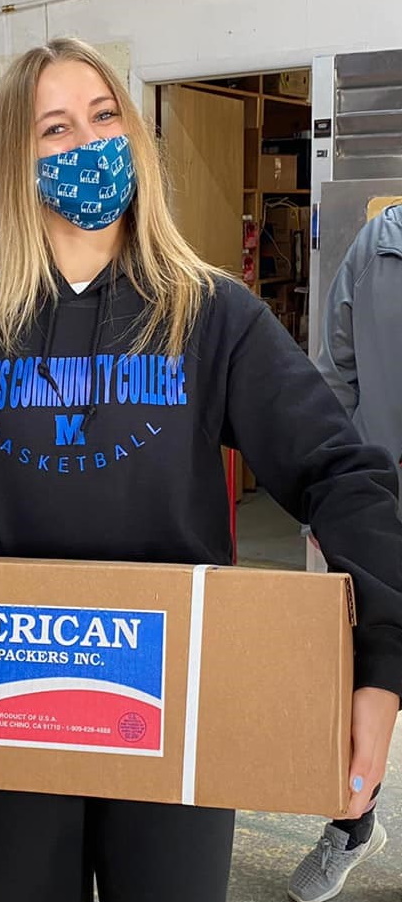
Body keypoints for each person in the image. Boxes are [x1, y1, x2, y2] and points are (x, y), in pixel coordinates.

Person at [0, 38, 402, 902]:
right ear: (18, 161)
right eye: (54, 128)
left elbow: (338, 471)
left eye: (103, 117)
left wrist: (382, 658)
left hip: (172, 694)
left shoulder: (210, 315)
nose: (87, 145)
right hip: (5, 691)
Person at [287, 202, 402, 902]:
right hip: (378, 507)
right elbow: (334, 376)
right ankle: (351, 823)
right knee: (363, 669)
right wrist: (324, 495)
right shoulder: (378, 245)